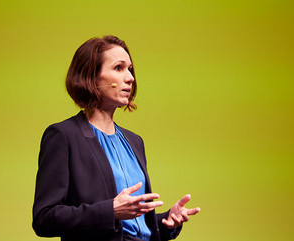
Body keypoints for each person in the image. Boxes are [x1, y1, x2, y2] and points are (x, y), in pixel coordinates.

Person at [32, 35, 200, 241]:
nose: (130, 77)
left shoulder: (134, 141)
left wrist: (166, 221)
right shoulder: (64, 136)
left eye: (130, 69)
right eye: (119, 68)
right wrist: (109, 211)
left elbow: (130, 226)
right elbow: (44, 219)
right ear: (91, 77)